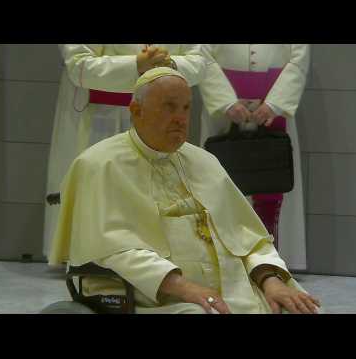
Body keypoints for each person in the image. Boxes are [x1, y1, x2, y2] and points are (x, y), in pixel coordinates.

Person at [49, 67, 321, 314]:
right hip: (151, 296)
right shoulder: (99, 164)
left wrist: (270, 281)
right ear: (136, 110)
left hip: (236, 290)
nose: (180, 118)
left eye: (186, 108)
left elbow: (250, 238)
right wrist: (185, 288)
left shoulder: (204, 161)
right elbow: (114, 248)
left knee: (300, 309)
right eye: (169, 107)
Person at [43, 44, 205, 257]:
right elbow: (78, 65)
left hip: (159, 117)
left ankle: (152, 252)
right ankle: (92, 254)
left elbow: (199, 61)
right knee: (100, 193)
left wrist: (168, 67)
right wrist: (137, 65)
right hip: (99, 117)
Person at [198, 44, 310, 271]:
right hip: (222, 115)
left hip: (273, 114)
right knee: (219, 187)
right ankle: (225, 262)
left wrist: (274, 104)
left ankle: (271, 262)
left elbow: (298, 60)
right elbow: (201, 55)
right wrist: (226, 101)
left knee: (271, 182)